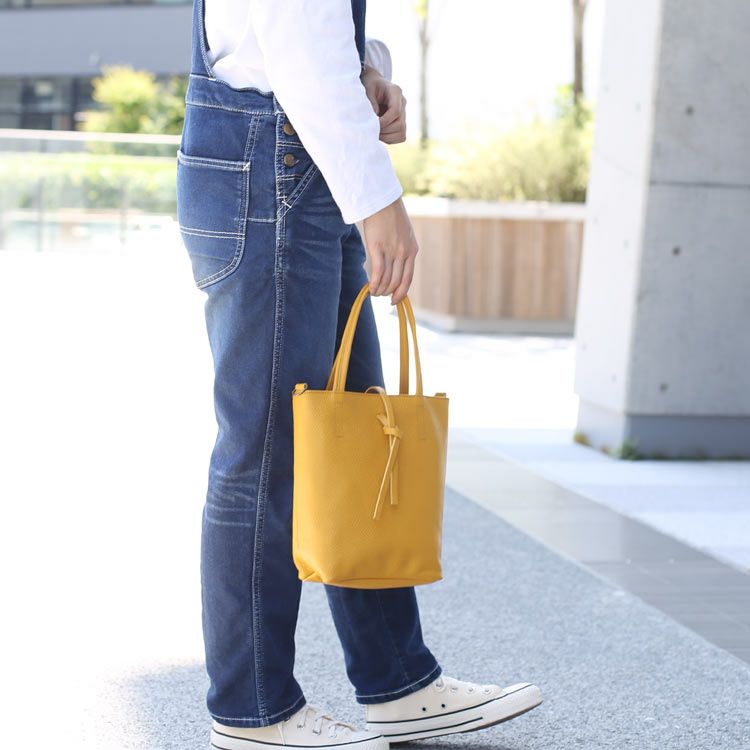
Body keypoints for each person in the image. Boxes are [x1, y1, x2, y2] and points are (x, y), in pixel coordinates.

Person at [175, 1, 542, 747]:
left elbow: (294, 33)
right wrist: (379, 202)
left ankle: (397, 679)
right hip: (272, 165)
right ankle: (253, 709)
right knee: (265, 454)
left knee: (358, 436)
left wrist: (365, 68)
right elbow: (293, 35)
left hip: (292, 164)